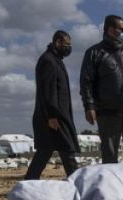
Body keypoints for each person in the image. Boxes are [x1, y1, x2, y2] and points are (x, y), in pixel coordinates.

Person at [80, 15, 123, 164]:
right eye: (122, 29)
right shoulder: (94, 53)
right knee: (109, 153)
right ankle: (109, 186)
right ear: (111, 30)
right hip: (107, 112)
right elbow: (86, 82)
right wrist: (89, 106)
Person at [26, 30, 80, 180]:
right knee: (66, 150)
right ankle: (77, 184)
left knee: (46, 151)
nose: (69, 48)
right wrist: (52, 116)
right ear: (57, 42)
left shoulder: (55, 60)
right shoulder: (49, 61)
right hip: (54, 117)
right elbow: (49, 91)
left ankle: (29, 181)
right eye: (66, 44)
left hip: (55, 116)